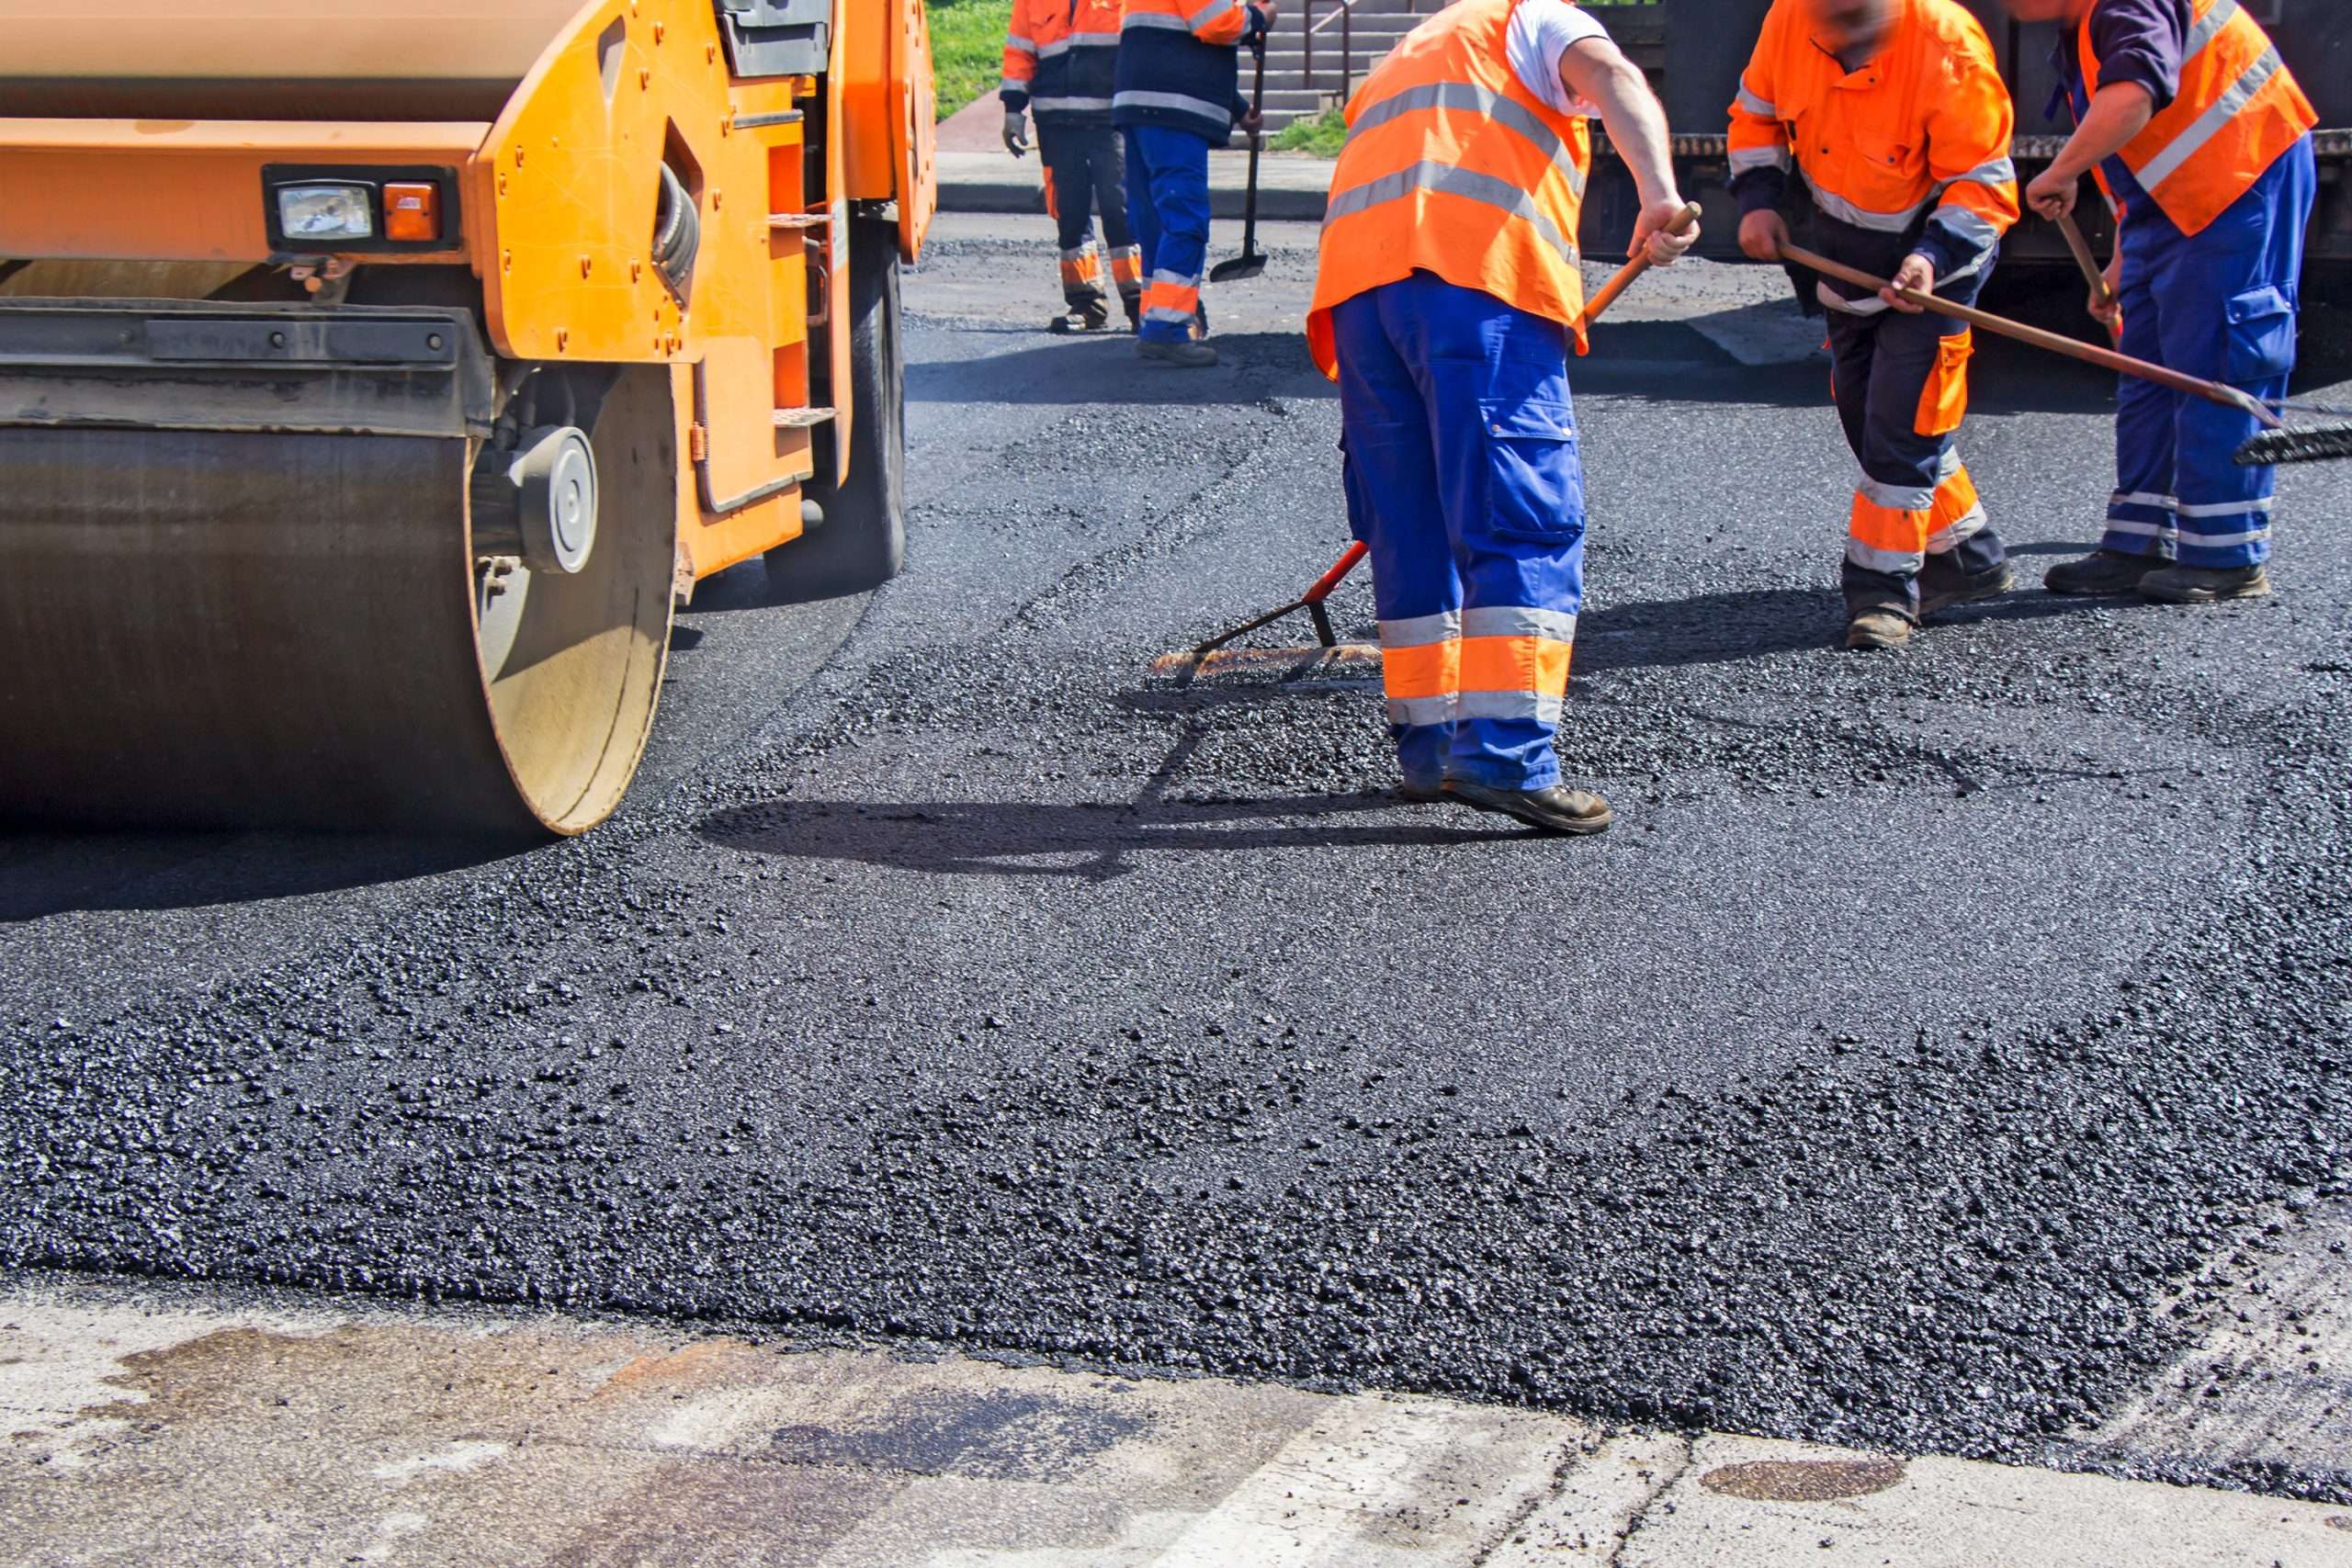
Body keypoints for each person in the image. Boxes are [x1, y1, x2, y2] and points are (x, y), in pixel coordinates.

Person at [1305, 0, 1697, 836]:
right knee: (1520, 519)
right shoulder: (1535, 18)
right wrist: (1659, 193)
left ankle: (1430, 749)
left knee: (1409, 524)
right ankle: (1507, 755)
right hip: (1474, 286)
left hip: (1363, 300)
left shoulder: (1409, 52)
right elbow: (1615, 78)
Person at [1729, 0, 2023, 652]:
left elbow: (1983, 187)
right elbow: (1756, 115)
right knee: (1867, 414)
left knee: (1903, 428)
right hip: (1844, 259)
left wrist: (1929, 257)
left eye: (1855, 21)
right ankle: (1972, 554)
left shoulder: (1949, 48)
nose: (1838, 35)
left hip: (1936, 268)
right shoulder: (1791, 18)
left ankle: (1883, 592)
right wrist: (1757, 200)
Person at [2006, 0, 2317, 605]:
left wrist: (2060, 170)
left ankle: (2227, 556)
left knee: (2221, 363)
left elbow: (2135, 96)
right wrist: (2126, 257)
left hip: (2242, 170)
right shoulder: (2082, 27)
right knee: (2147, 368)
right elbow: (2144, 149)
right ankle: (2139, 540)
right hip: (2169, 204)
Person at [1114, 0, 1274, 367]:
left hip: (1141, 104)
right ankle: (1167, 330)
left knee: (1155, 220)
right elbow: (1215, 23)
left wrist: (1236, 108)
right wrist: (1260, 17)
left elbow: (1180, 43)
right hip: (1173, 110)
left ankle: (1155, 321)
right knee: (1184, 220)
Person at [1001, 0, 1144, 333]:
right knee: (1070, 210)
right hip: (1056, 124)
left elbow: (1142, 45)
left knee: (1121, 207)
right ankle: (1086, 303)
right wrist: (1012, 110)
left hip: (1111, 121)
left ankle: (1139, 301)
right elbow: (1020, 52)